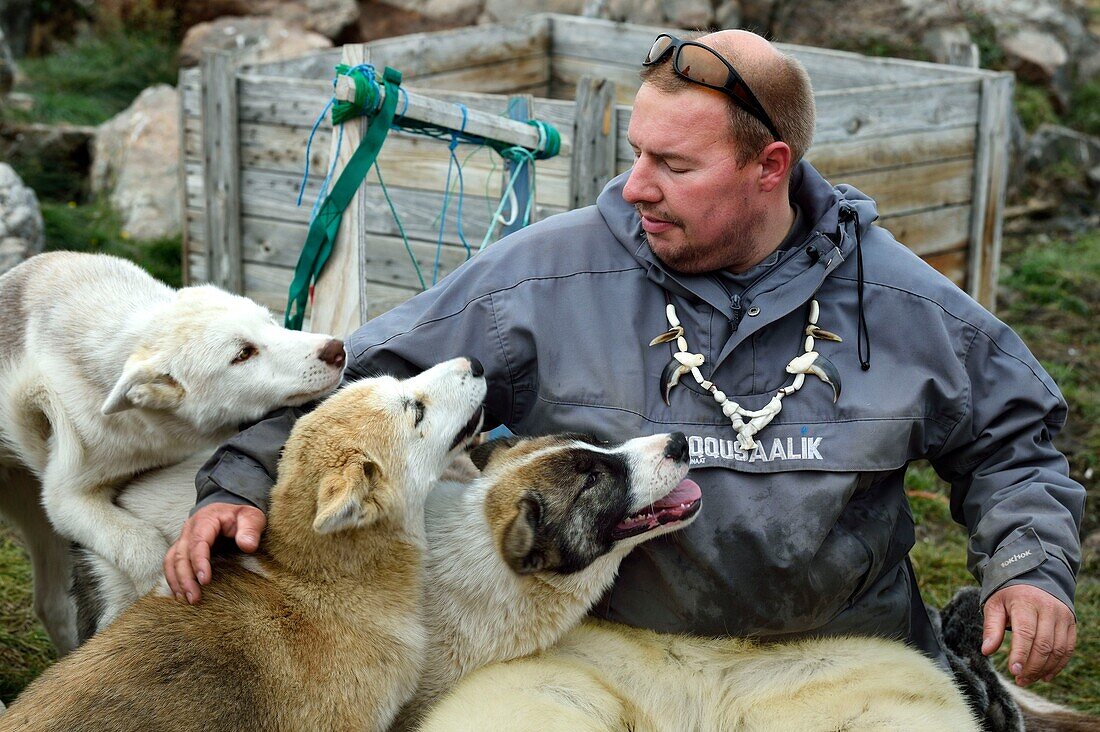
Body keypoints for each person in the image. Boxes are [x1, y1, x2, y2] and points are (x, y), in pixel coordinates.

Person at [166, 29, 1083, 688]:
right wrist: (239, 483)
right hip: (598, 653)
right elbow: (360, 379)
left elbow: (1014, 442)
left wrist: (1031, 567)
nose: (634, 184)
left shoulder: (910, 307)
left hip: (840, 658)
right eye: (638, 151)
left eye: (674, 166)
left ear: (770, 166)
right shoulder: (541, 276)